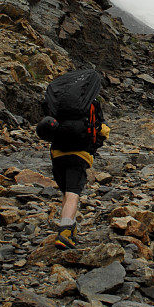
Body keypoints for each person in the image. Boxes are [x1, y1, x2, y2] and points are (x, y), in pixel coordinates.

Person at [36, 69, 110, 249]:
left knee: (66, 192)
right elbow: (101, 128)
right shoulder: (88, 105)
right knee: (73, 193)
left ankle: (71, 225)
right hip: (79, 154)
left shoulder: (59, 107)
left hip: (57, 154)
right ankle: (65, 231)